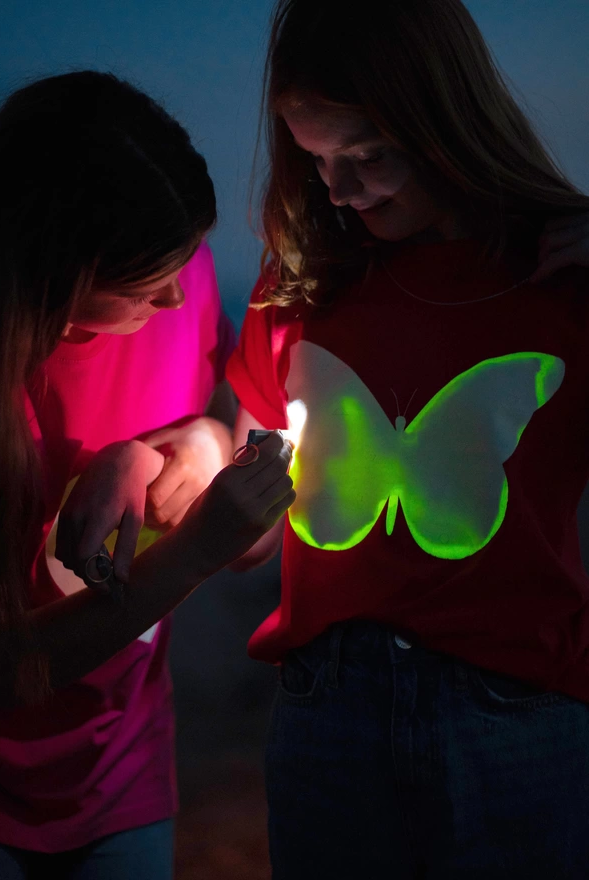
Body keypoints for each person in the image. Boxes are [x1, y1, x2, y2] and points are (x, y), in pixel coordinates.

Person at [226, 1, 589, 877]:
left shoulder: (565, 271)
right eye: (317, 162)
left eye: (370, 155)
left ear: (449, 117)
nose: (342, 190)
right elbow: (248, 512)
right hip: (328, 708)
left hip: (512, 708)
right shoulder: (304, 278)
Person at [0, 70, 294, 879]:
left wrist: (183, 444)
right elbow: (3, 670)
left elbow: (250, 539)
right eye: (139, 284)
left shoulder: (181, 278)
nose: (176, 294)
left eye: (185, 260)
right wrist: (193, 551)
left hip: (123, 769)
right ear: (54, 278)